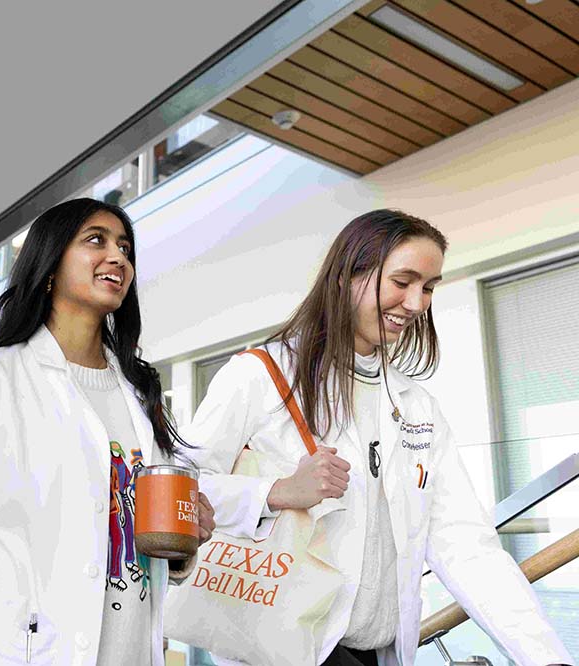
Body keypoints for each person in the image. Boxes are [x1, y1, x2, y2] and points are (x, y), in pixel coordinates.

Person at [181, 210, 572, 665]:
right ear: (348, 275)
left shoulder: (416, 406)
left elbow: (466, 543)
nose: (417, 302)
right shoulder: (260, 375)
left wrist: (545, 658)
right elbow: (182, 486)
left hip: (379, 651)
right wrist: (276, 492)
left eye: (428, 287)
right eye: (402, 281)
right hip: (289, 649)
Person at [0, 198, 214, 665]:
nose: (118, 257)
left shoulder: (139, 392)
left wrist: (181, 547)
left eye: (125, 248)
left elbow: (128, 544)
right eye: (96, 241)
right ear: (49, 265)